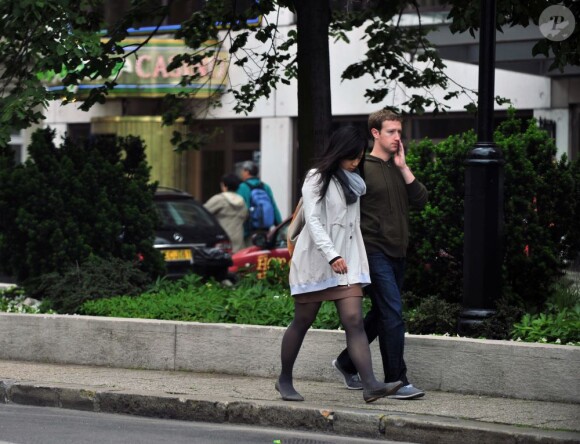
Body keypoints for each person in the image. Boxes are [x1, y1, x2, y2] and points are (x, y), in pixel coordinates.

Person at [276, 126, 404, 404]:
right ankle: (284, 379)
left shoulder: (353, 181)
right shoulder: (316, 178)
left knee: (354, 320)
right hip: (318, 261)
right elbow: (314, 220)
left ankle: (370, 385)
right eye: (351, 157)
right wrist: (332, 255)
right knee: (302, 321)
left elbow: (350, 225)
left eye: (359, 156)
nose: (356, 162)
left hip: (348, 264)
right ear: (338, 152)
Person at [332, 110, 429, 400]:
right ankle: (397, 379)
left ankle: (346, 363)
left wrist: (403, 166)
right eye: (391, 132)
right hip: (372, 251)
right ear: (375, 133)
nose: (398, 137)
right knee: (393, 314)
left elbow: (421, 200)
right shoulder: (361, 167)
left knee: (382, 313)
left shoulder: (397, 167)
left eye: (400, 132)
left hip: (398, 250)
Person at [237, 160, 282, 245]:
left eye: (242, 171)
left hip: (250, 231)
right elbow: (274, 207)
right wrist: (280, 226)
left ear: (247, 171)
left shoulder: (242, 187)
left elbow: (241, 209)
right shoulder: (265, 186)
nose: (241, 173)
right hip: (265, 231)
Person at [204, 173, 248, 253]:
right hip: (239, 241)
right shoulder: (242, 202)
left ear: (225, 186)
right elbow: (245, 217)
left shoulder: (219, 199)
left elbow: (203, 213)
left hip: (223, 241)